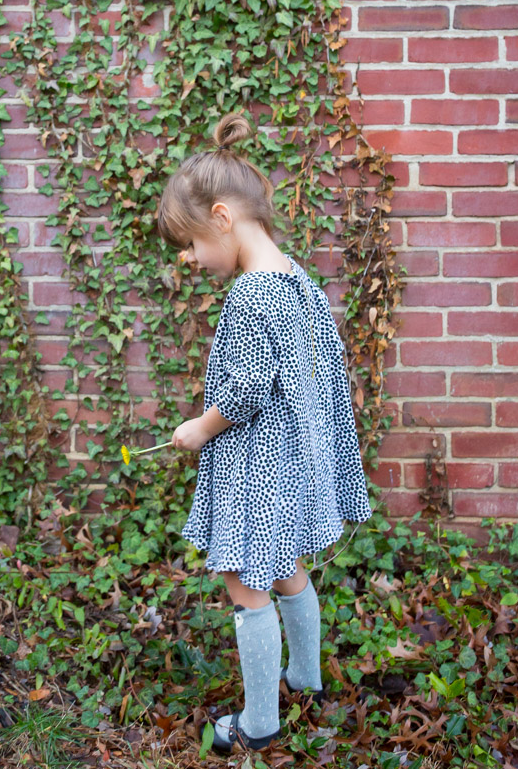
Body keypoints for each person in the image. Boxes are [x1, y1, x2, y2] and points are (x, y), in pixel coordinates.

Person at [156, 111, 373, 755]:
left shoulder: (252, 295)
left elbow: (244, 391)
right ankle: (305, 679)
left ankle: (258, 723)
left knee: (245, 583)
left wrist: (201, 426)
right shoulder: (296, 278)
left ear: (221, 217)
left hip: (257, 467)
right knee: (287, 570)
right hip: (293, 458)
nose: (190, 260)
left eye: (190, 244)